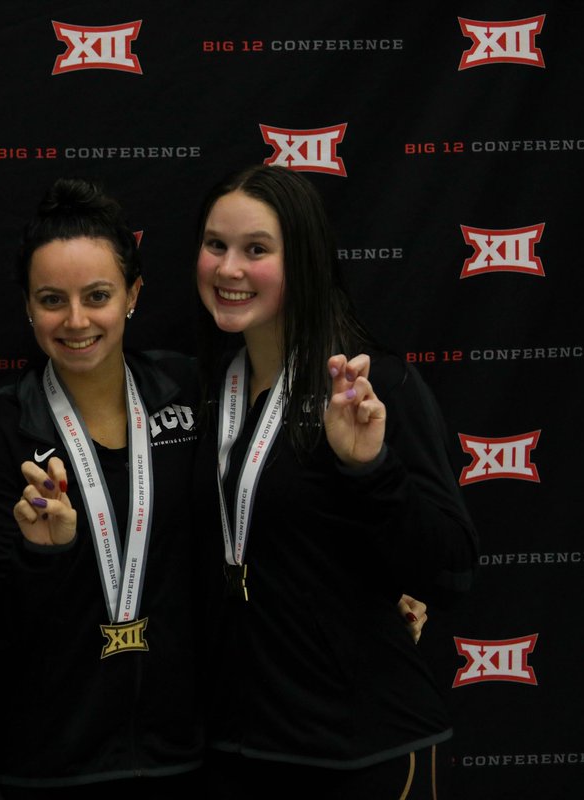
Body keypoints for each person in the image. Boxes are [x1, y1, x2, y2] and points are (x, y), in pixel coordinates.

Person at [192, 163, 478, 798]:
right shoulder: (208, 393)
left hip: (362, 752)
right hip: (240, 750)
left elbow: (452, 571)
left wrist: (370, 470)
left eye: (256, 250)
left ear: (306, 262)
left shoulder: (374, 388)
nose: (229, 269)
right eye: (216, 245)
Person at [0, 177, 206, 796]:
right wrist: (41, 555)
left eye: (97, 295)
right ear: (27, 305)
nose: (76, 321)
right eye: (52, 300)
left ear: (133, 294)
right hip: (51, 762)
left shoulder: (188, 394)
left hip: (183, 753)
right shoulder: (0, 428)